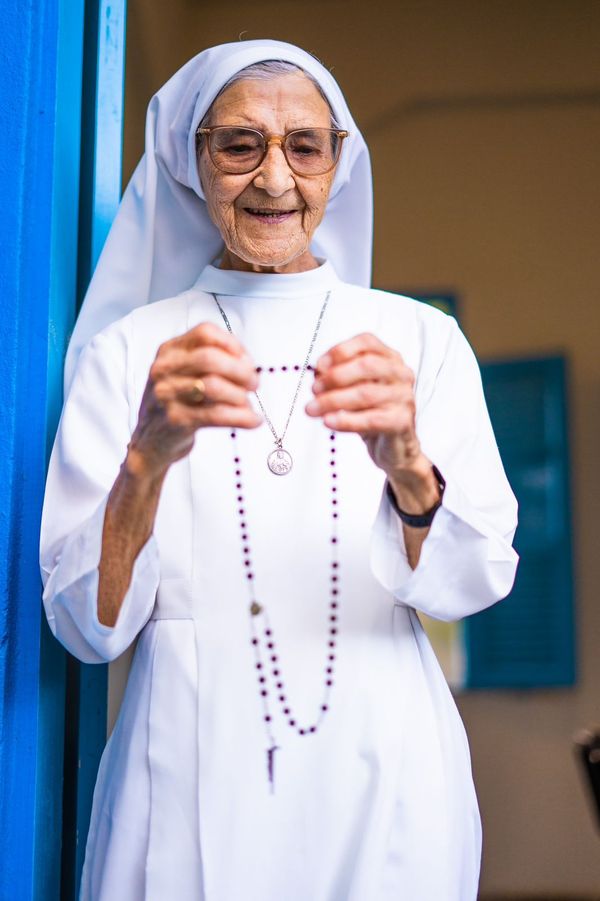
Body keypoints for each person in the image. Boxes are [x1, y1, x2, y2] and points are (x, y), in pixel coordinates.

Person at [41, 39, 518, 901]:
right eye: (239, 145)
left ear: (338, 161)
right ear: (191, 161)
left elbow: (474, 581)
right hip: (184, 759)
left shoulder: (422, 340)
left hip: (387, 764)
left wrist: (409, 465)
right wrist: (145, 460)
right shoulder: (128, 352)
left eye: (304, 146)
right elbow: (88, 629)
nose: (274, 179)